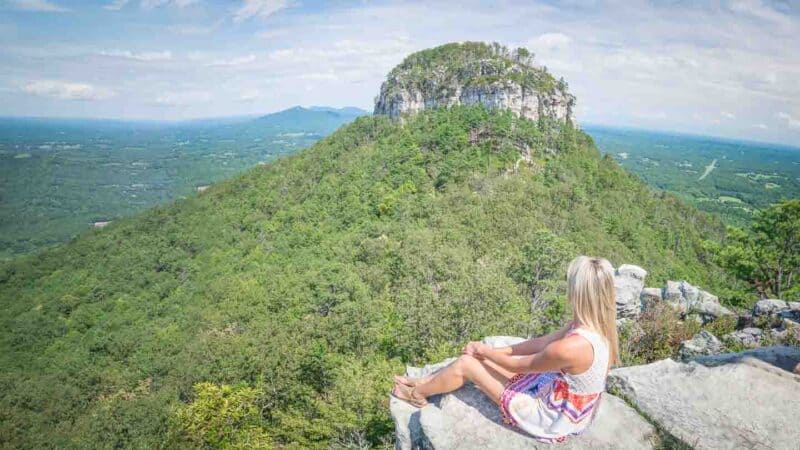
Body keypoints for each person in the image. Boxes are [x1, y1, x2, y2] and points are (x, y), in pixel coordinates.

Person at [392, 256, 619, 443]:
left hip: (551, 417)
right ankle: (425, 382)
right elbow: (539, 344)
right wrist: (491, 352)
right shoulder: (595, 328)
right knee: (480, 357)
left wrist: (485, 351)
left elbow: (523, 365)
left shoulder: (572, 347)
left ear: (576, 292)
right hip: (559, 395)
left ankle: (417, 395)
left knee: (467, 364)